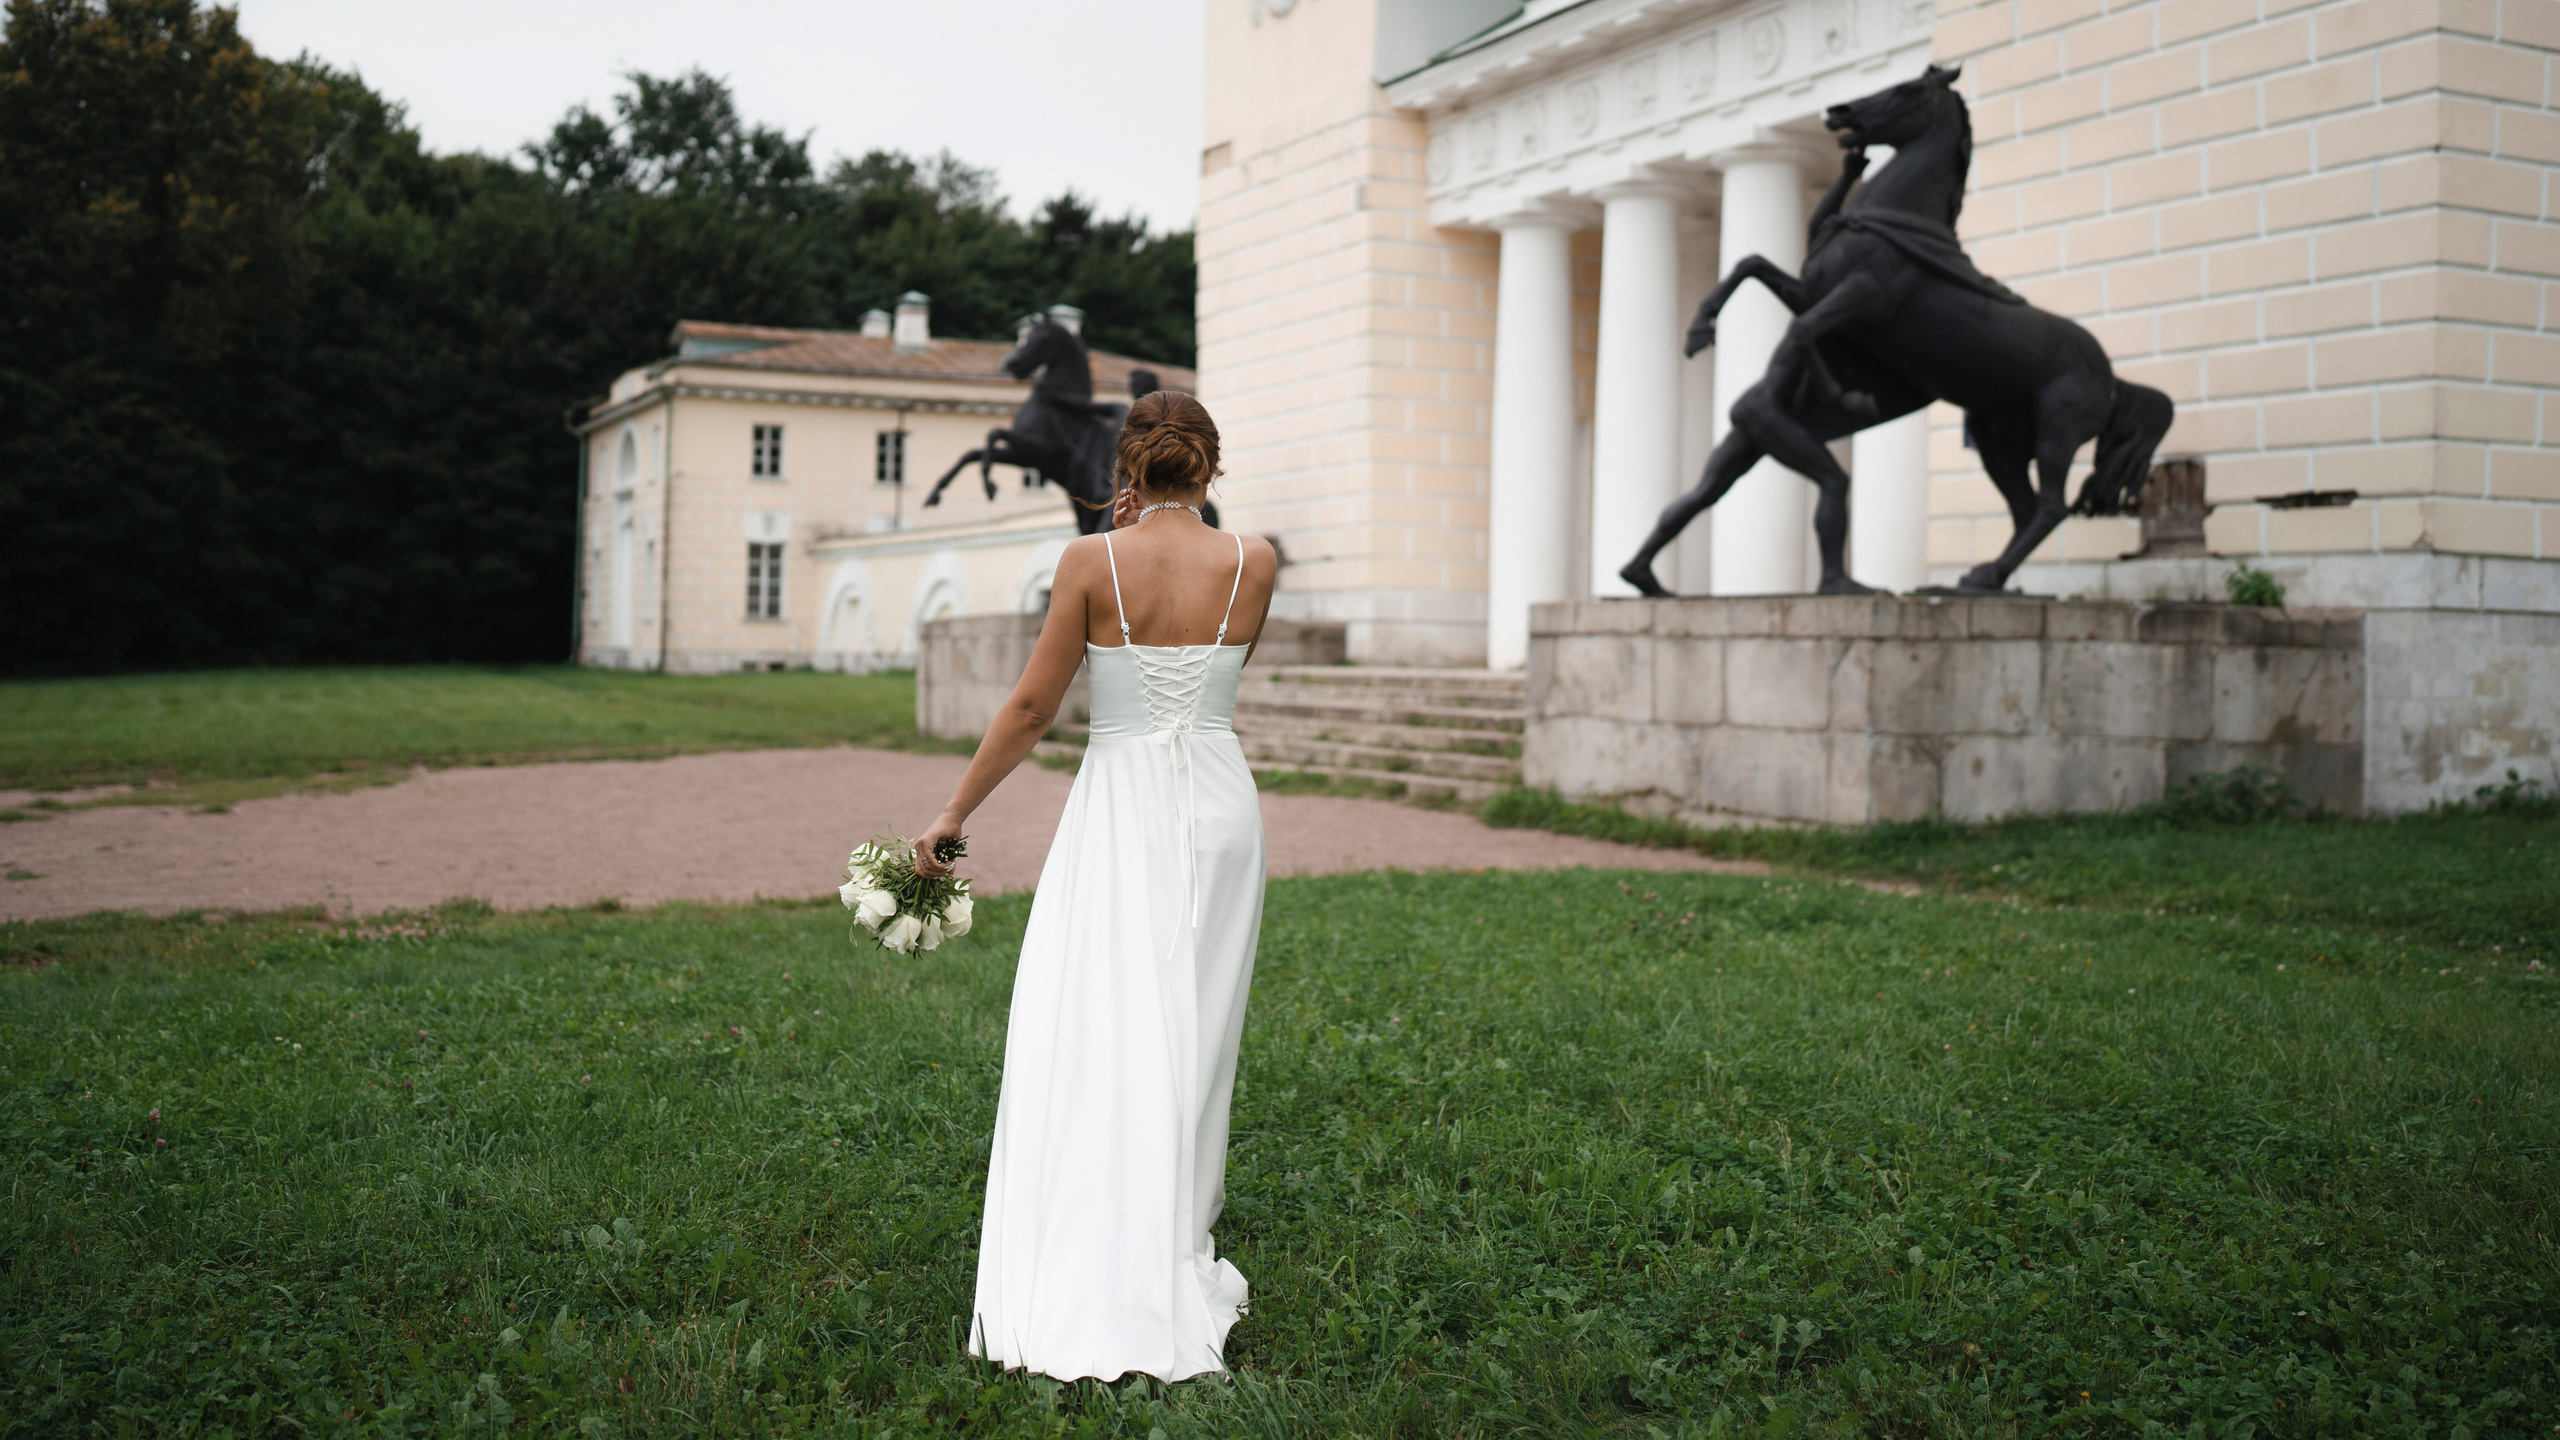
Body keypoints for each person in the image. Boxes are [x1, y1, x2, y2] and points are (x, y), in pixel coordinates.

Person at [911, 390, 1279, 1384]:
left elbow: (1035, 704)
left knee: (1102, 1015)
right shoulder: (1257, 560)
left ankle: (1103, 1226)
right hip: (1218, 803)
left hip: (1121, 803)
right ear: (1210, 466)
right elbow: (1208, 661)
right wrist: (1161, 524)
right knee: (1195, 1023)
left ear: (1125, 469)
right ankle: (1168, 1231)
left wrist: (953, 813)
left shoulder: (1087, 561)